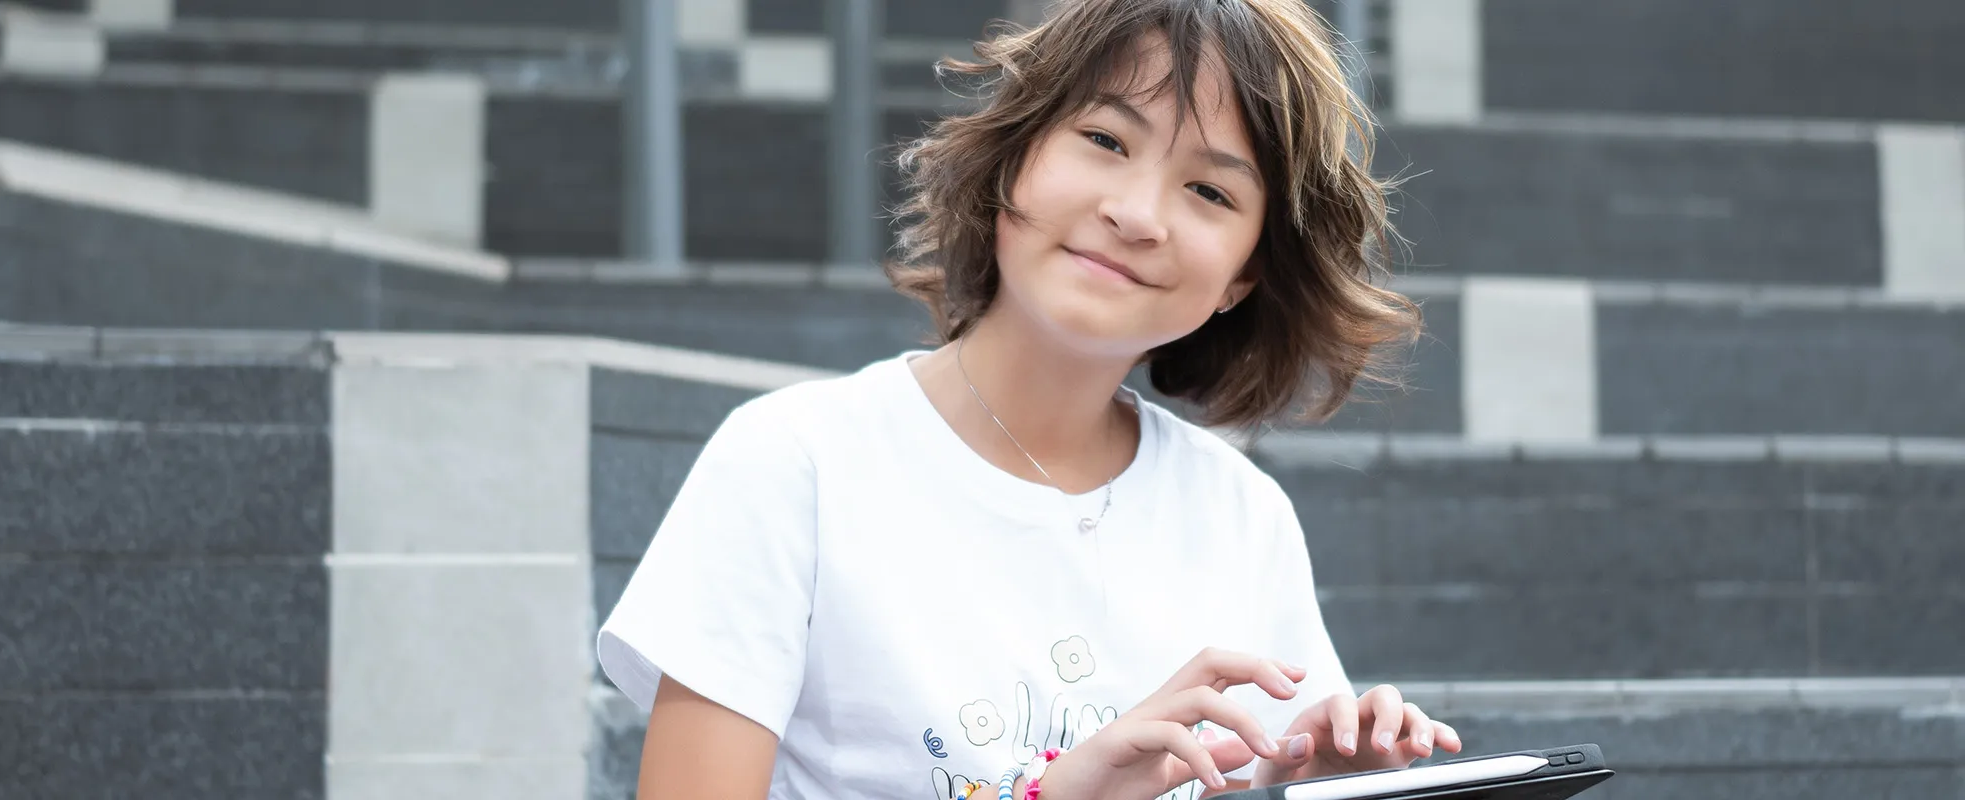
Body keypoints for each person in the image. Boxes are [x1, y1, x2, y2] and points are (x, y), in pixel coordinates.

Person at [597, 0, 1462, 797]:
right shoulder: (798, 462)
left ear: (1245, 274)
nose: (1136, 213)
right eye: (1106, 140)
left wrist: (1330, 779)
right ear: (1015, 151)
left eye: (1210, 191)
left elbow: (1266, 765)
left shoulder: (1240, 515)